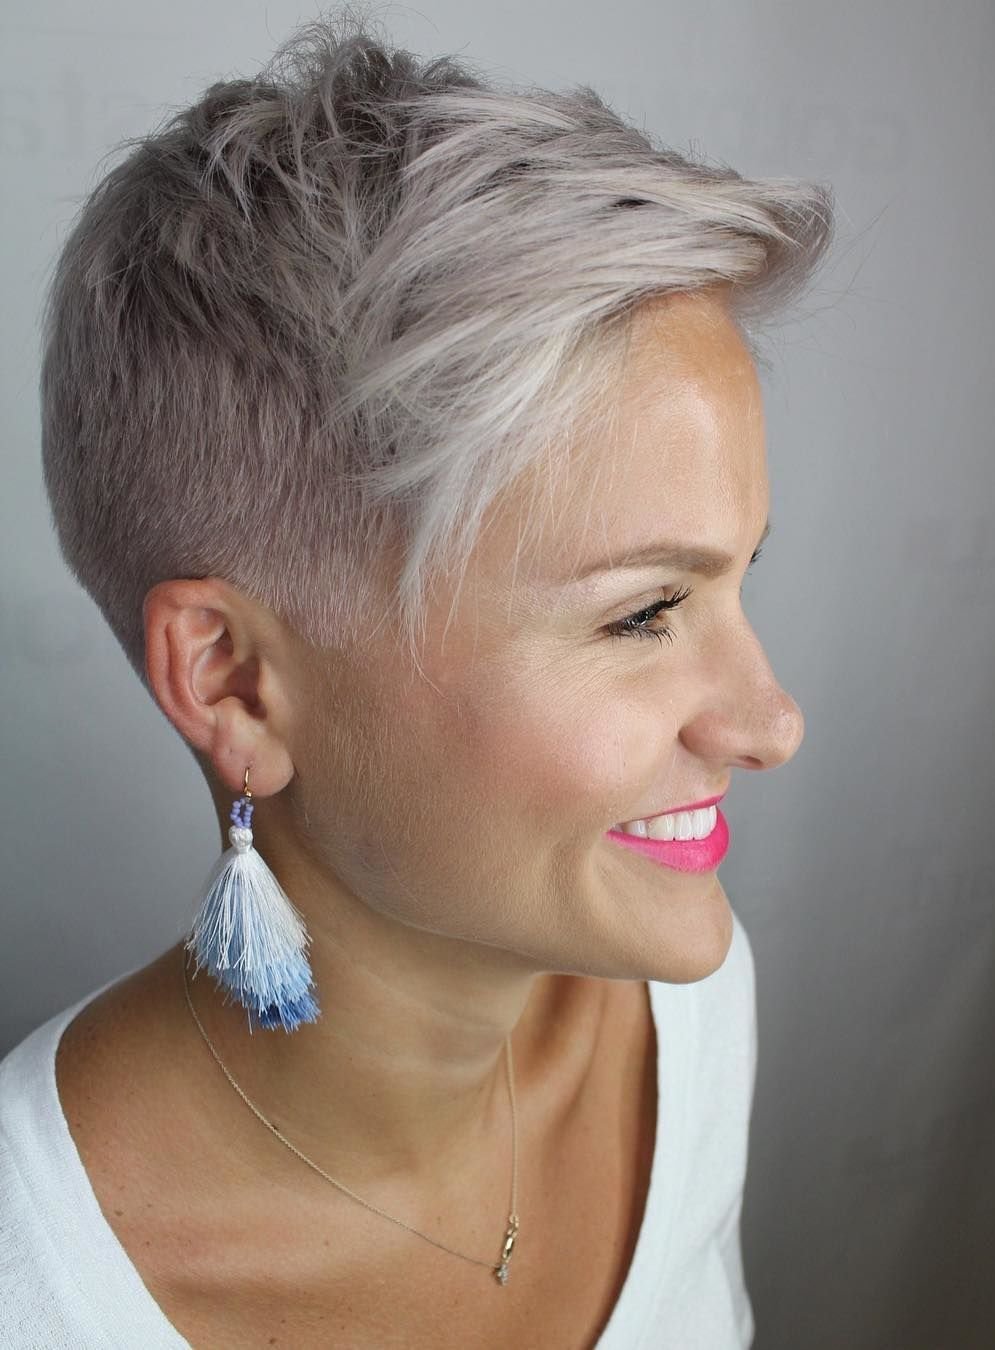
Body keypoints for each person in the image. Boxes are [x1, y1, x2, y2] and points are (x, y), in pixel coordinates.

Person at [0, 8, 834, 1347]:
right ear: (233, 684)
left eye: (740, 576)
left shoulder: (686, 1006)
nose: (771, 721)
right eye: (643, 614)